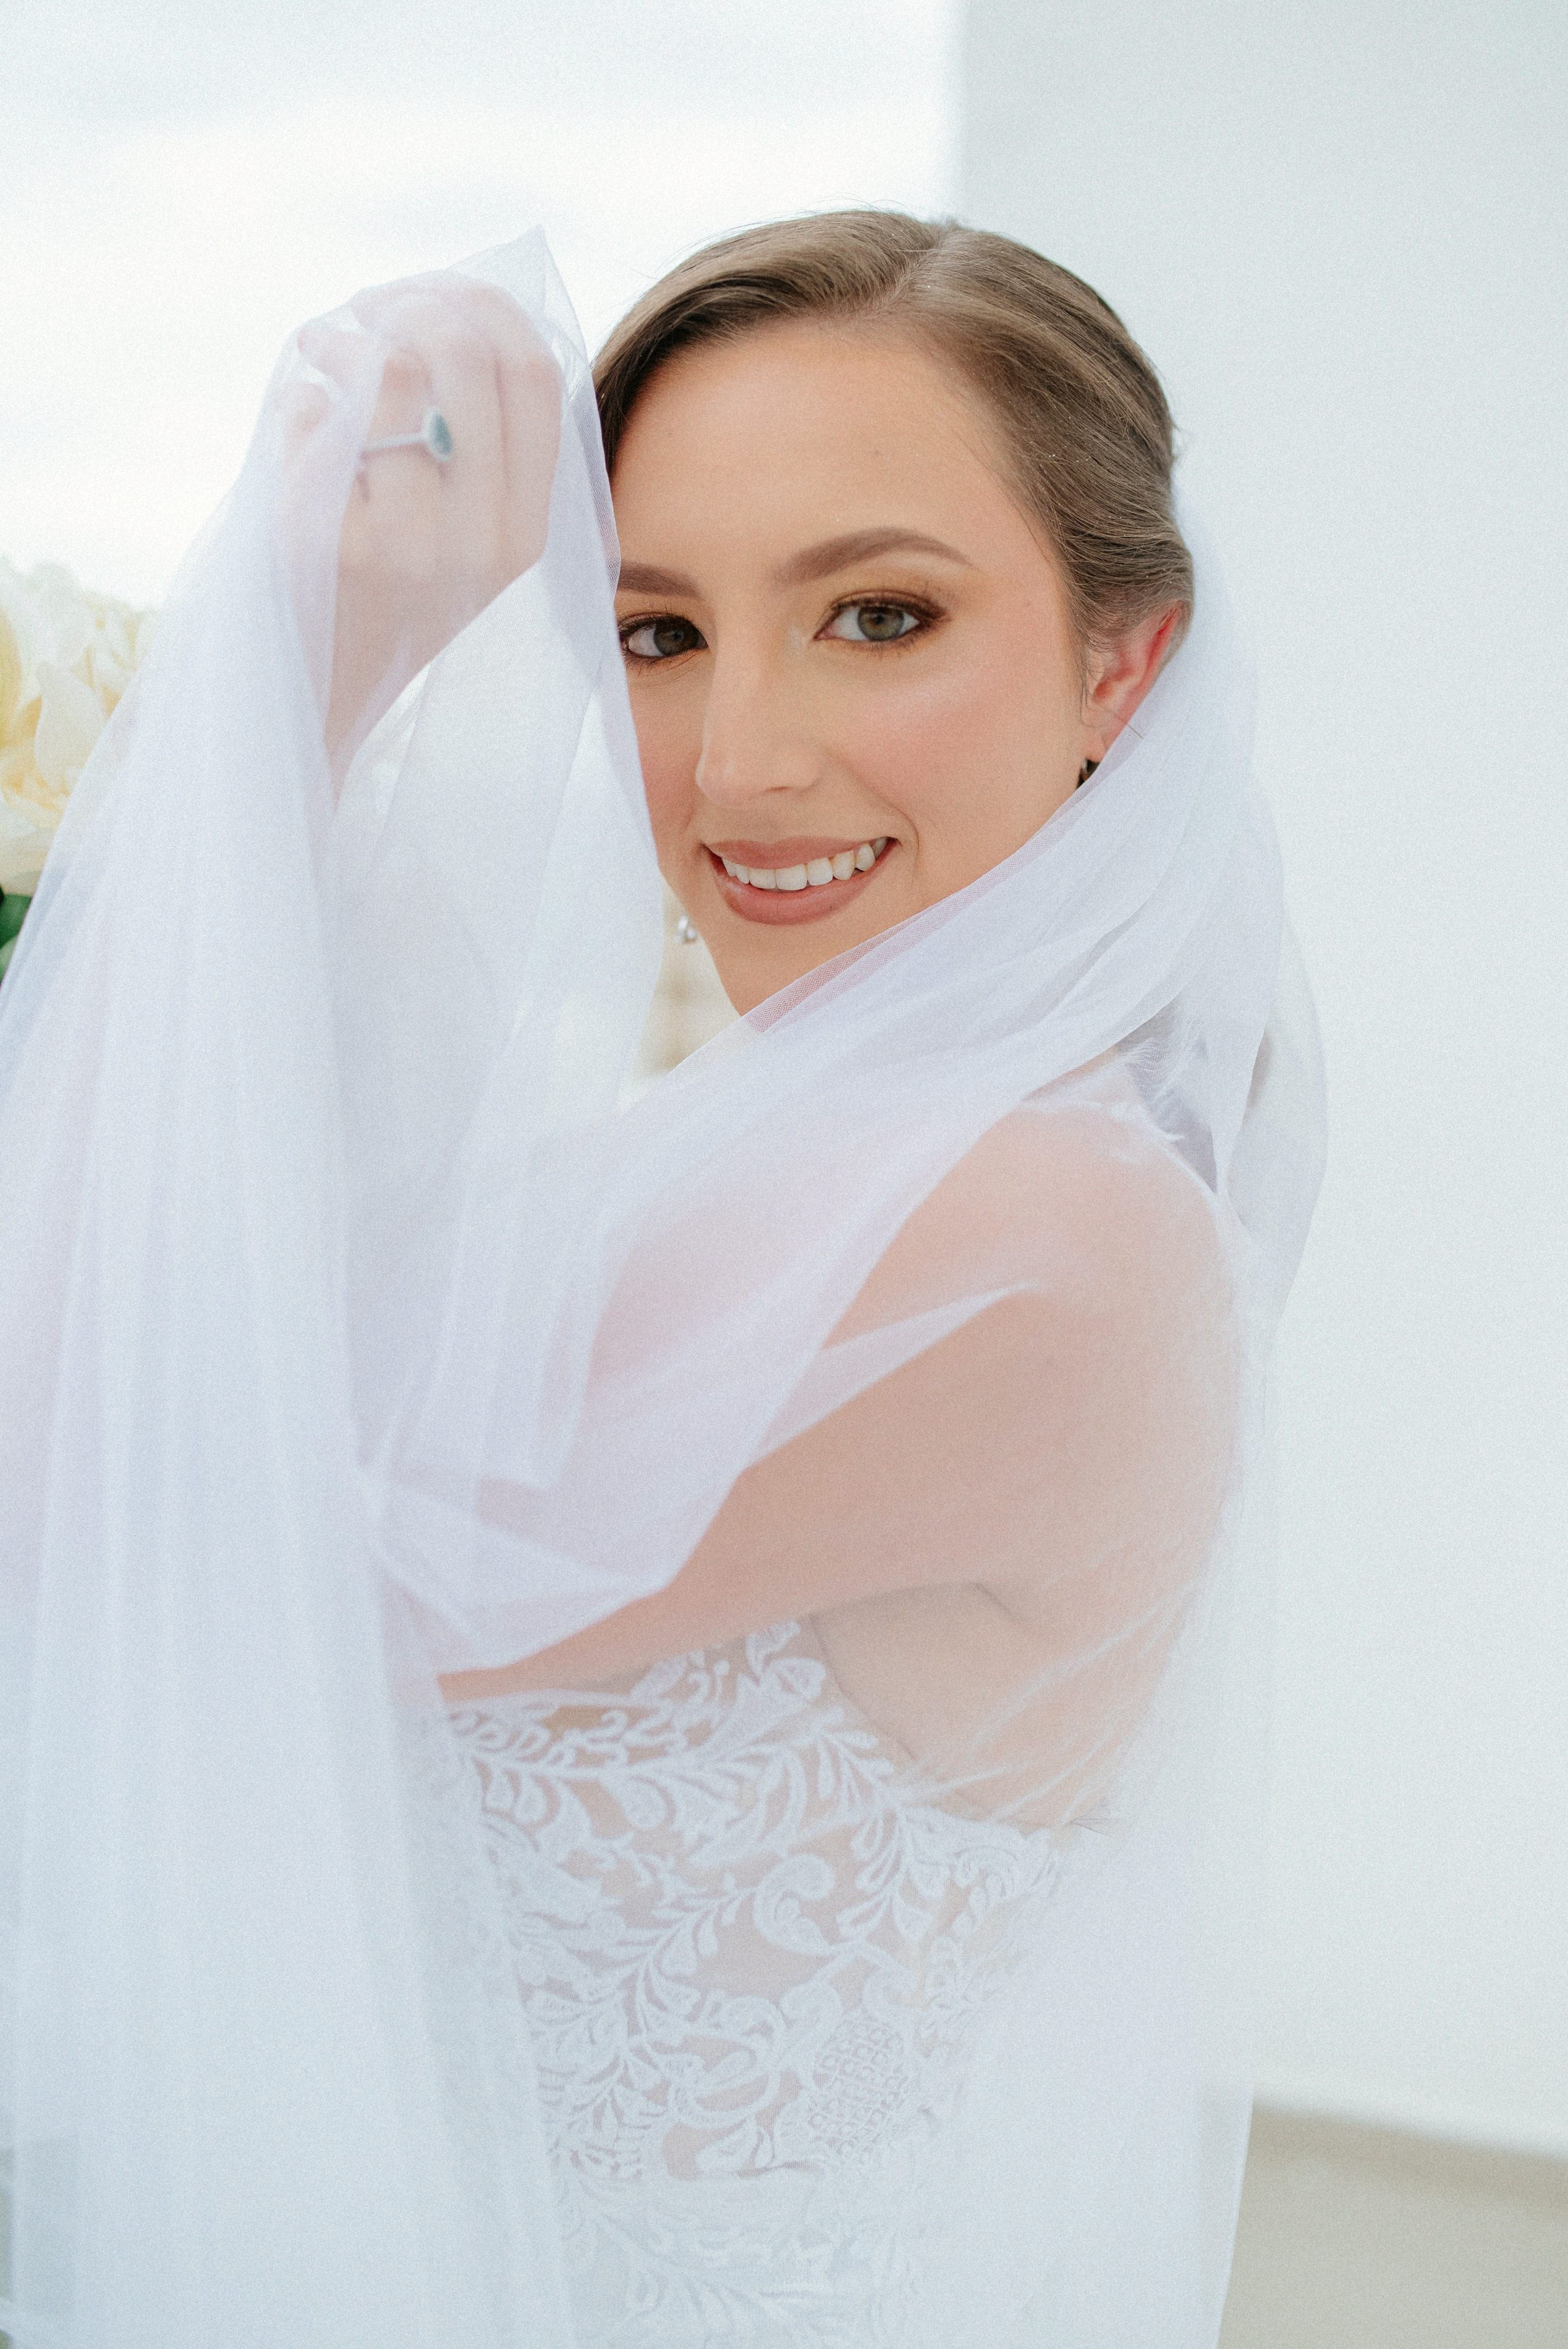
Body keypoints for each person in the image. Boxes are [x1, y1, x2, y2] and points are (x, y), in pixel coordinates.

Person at [0, 213, 1323, 2349]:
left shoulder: (1021, 1242)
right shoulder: (832, 1151)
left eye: (875, 614)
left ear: (1119, 661)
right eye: (652, 632)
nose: (737, 762)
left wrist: (306, 674)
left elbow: (84, 1532)